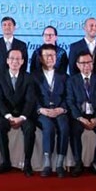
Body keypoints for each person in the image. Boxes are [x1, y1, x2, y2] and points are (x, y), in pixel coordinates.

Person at [66, 50, 96, 178]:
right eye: (83, 63)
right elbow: (70, 102)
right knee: (74, 131)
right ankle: (78, 162)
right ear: (77, 65)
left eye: (89, 62)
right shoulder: (71, 80)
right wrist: (80, 118)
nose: (86, 65)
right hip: (79, 117)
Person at [0, 49, 36, 176]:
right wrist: (8, 116)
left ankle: (27, 163)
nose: (15, 61)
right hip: (6, 114)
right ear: (7, 61)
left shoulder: (28, 77)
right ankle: (6, 161)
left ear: (23, 61)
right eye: (12, 58)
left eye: (18, 59)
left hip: (23, 114)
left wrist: (22, 117)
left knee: (30, 129)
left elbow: (30, 101)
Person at [33, 44, 70, 178]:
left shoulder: (64, 76)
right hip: (42, 112)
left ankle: (59, 164)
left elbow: (69, 96)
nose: (50, 58)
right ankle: (47, 164)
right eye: (46, 55)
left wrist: (61, 109)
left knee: (64, 127)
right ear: (41, 59)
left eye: (53, 55)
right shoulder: (34, 76)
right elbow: (32, 97)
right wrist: (41, 109)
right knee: (48, 128)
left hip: (59, 110)